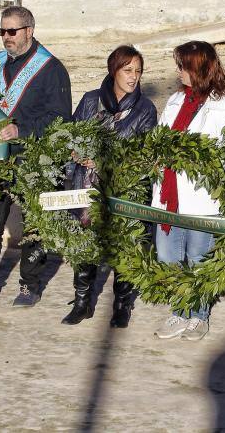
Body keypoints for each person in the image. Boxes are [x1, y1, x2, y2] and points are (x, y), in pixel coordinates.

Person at [0, 6, 72, 307]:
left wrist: (22, 130)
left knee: (34, 226)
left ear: (29, 31)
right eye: (1, 31)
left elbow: (61, 120)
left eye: (11, 31)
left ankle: (30, 286)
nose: (6, 37)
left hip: (33, 159)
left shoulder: (51, 69)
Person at [62, 45, 157, 328]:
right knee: (84, 246)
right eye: (128, 70)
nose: (134, 76)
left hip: (122, 191)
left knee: (123, 248)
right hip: (86, 188)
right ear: (113, 70)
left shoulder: (145, 110)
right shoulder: (91, 101)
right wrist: (75, 153)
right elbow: (70, 135)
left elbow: (144, 156)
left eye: (138, 71)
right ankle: (82, 302)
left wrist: (107, 164)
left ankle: (121, 305)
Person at [152, 41, 225, 342]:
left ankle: (199, 316)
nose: (178, 71)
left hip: (201, 198)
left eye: (182, 65)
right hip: (168, 194)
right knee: (167, 257)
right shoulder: (175, 100)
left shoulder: (223, 104)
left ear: (199, 67)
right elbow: (159, 140)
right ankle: (179, 311)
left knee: (199, 258)